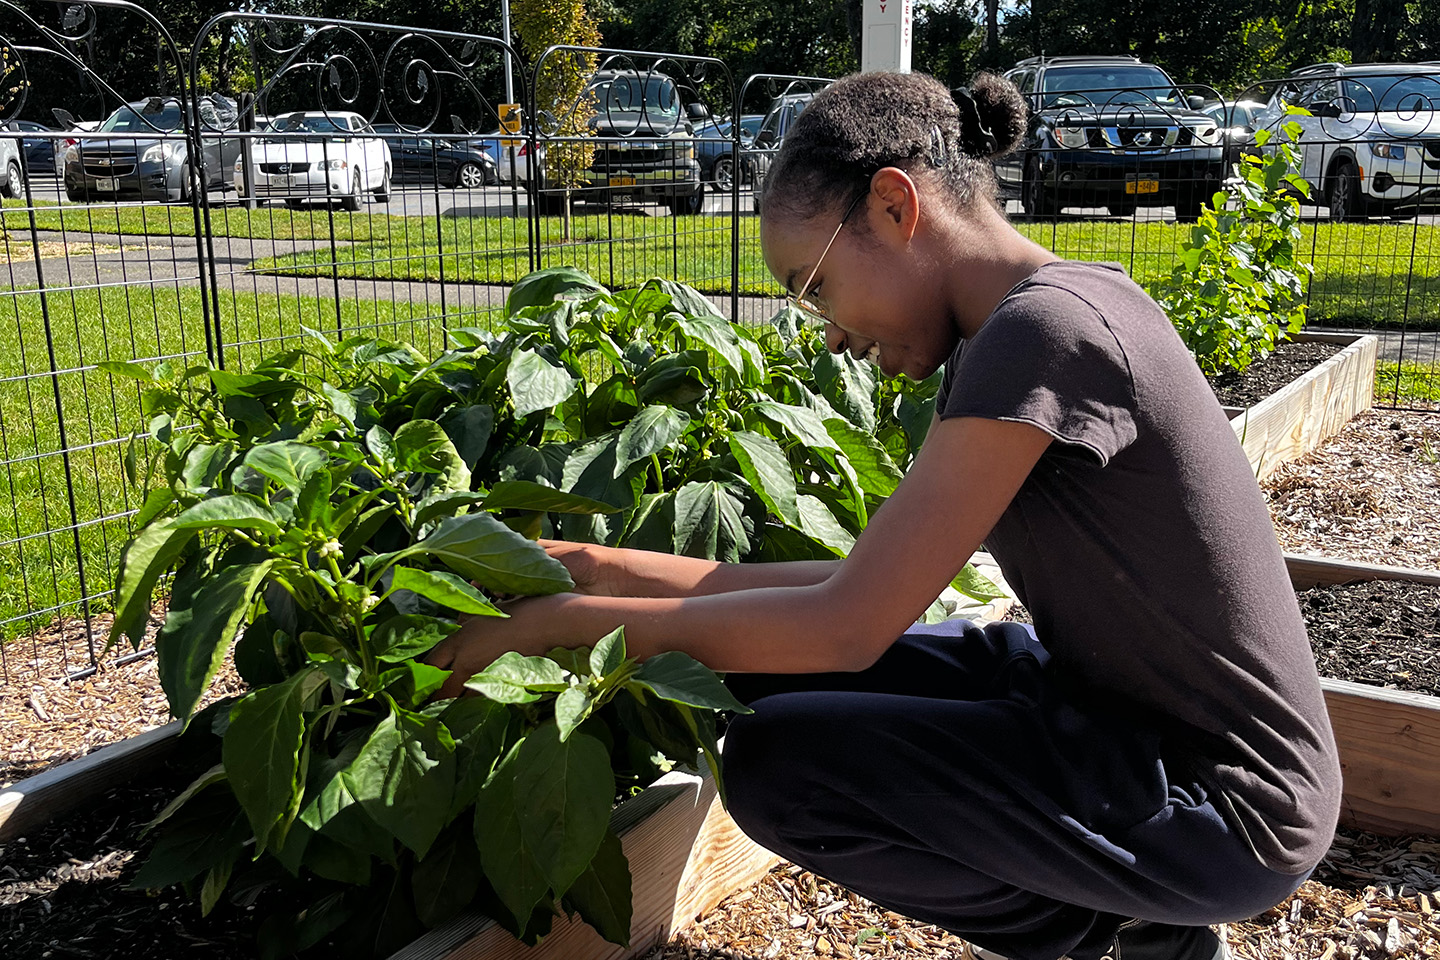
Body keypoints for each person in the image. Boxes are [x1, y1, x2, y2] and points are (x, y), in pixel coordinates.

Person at [428, 71, 1342, 960]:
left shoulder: (1049, 333)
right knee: (760, 674)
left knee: (779, 763)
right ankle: (1132, 918)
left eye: (814, 284)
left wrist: (558, 630)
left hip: (1224, 803)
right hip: (1105, 711)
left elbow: (847, 626)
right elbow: (855, 584)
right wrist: (607, 568)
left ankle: (1111, 934)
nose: (826, 332)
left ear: (895, 207)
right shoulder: (1004, 333)